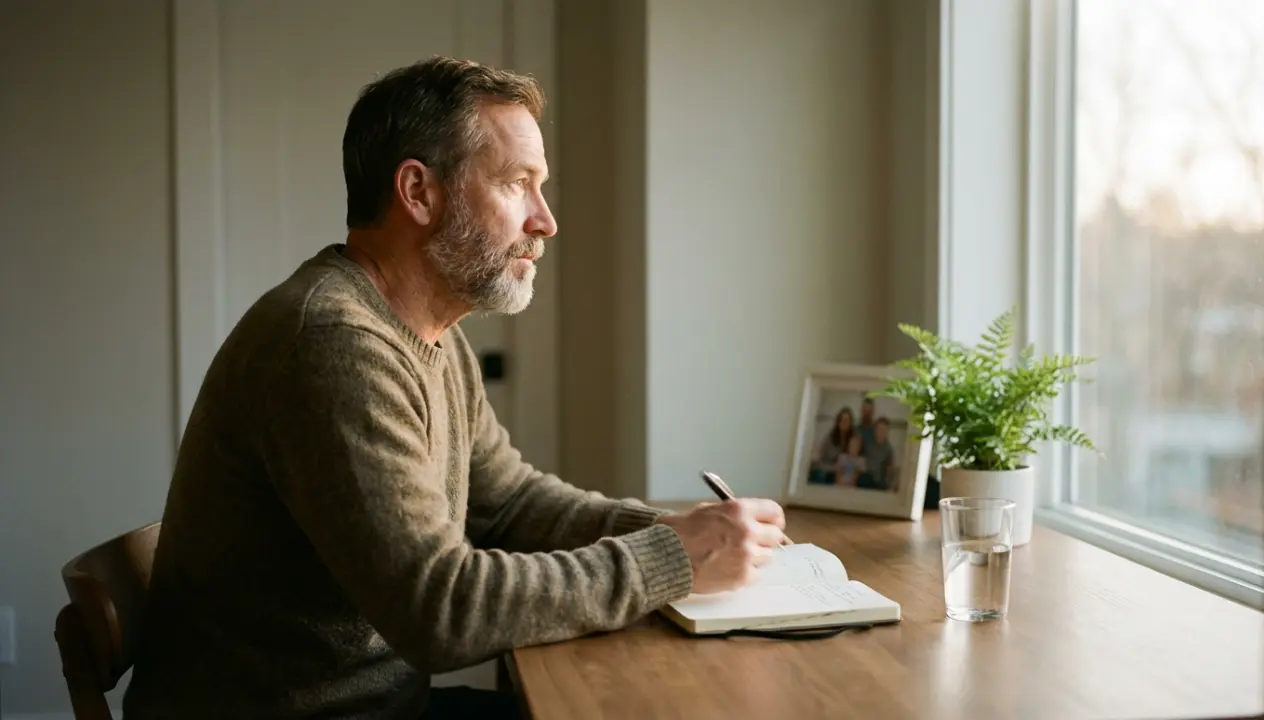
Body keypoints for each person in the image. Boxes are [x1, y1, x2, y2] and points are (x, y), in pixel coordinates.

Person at [121, 56, 787, 720]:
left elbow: (507, 504)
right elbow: (441, 609)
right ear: (418, 192)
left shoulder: (433, 333)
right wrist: (666, 559)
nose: (545, 221)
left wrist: (673, 529)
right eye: (517, 184)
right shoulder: (331, 342)